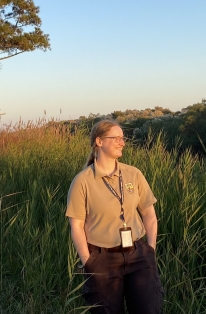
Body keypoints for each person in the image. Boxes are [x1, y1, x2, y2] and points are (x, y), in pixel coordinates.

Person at [66, 119, 163, 314]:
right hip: (102, 259)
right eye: (116, 138)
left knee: (149, 309)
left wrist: (150, 250)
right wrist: (89, 262)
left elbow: (149, 214)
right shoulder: (82, 181)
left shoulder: (133, 174)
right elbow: (76, 226)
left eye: (122, 138)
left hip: (139, 256)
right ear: (99, 141)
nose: (122, 142)